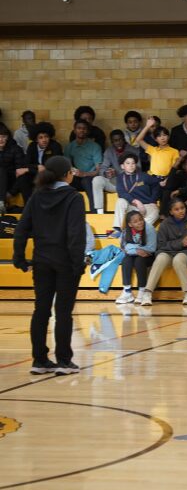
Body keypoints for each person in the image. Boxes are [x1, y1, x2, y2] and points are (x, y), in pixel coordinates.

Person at [13, 156, 86, 375]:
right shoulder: (74, 197)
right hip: (65, 262)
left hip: (41, 261)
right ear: (66, 174)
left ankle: (40, 360)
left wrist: (18, 257)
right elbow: (76, 234)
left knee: (41, 310)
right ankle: (64, 361)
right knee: (63, 312)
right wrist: (77, 262)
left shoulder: (37, 196)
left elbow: (21, 229)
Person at [141, 197, 187, 307]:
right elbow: (161, 245)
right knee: (160, 258)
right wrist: (180, 243)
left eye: (182, 208)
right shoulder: (165, 224)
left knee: (178, 260)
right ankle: (147, 293)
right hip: (167, 252)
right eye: (177, 209)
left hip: (186, 252)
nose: (181, 211)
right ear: (171, 212)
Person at [112, 154, 161, 238]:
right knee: (120, 201)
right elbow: (121, 192)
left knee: (156, 211)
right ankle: (118, 229)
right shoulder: (120, 178)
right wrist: (136, 201)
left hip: (146, 205)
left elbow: (156, 184)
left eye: (133, 163)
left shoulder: (143, 176)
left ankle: (137, 230)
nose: (131, 165)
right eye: (127, 163)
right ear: (122, 166)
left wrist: (153, 200)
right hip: (132, 206)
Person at [115, 210, 157, 305]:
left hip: (149, 256)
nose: (139, 223)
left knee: (139, 260)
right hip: (134, 254)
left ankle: (142, 290)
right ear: (130, 224)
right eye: (135, 221)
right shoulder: (126, 231)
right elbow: (123, 247)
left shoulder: (149, 228)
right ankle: (127, 291)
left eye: (140, 220)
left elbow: (151, 248)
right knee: (126, 260)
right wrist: (136, 250)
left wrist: (132, 247)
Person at [93, 129, 138, 215]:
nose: (118, 142)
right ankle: (100, 213)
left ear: (124, 139)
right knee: (97, 180)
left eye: (120, 139)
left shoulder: (133, 150)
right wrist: (107, 173)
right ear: (112, 141)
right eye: (115, 140)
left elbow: (138, 169)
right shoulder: (109, 151)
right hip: (115, 183)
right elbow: (102, 169)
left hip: (129, 184)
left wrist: (118, 173)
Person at [64, 119, 103, 210]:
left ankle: (94, 213)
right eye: (79, 128)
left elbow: (98, 170)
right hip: (77, 177)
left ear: (88, 131)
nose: (81, 130)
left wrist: (84, 174)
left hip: (91, 177)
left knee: (86, 181)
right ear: (74, 130)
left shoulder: (95, 146)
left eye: (84, 128)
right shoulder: (69, 147)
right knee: (66, 181)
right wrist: (73, 171)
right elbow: (67, 166)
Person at [23, 122, 62, 200]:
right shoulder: (32, 146)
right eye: (40, 137)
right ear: (36, 139)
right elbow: (26, 163)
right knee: (23, 177)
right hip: (35, 173)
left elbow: (53, 166)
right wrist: (37, 166)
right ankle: (28, 204)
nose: (44, 140)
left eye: (46, 137)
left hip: (51, 174)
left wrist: (31, 169)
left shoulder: (55, 146)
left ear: (49, 137)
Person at [0, 122, 32, 214]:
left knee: (4, 171)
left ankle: (1, 203)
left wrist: (11, 192)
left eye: (3, 136)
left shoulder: (15, 149)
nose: (1, 139)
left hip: (12, 181)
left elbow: (20, 172)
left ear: (8, 137)